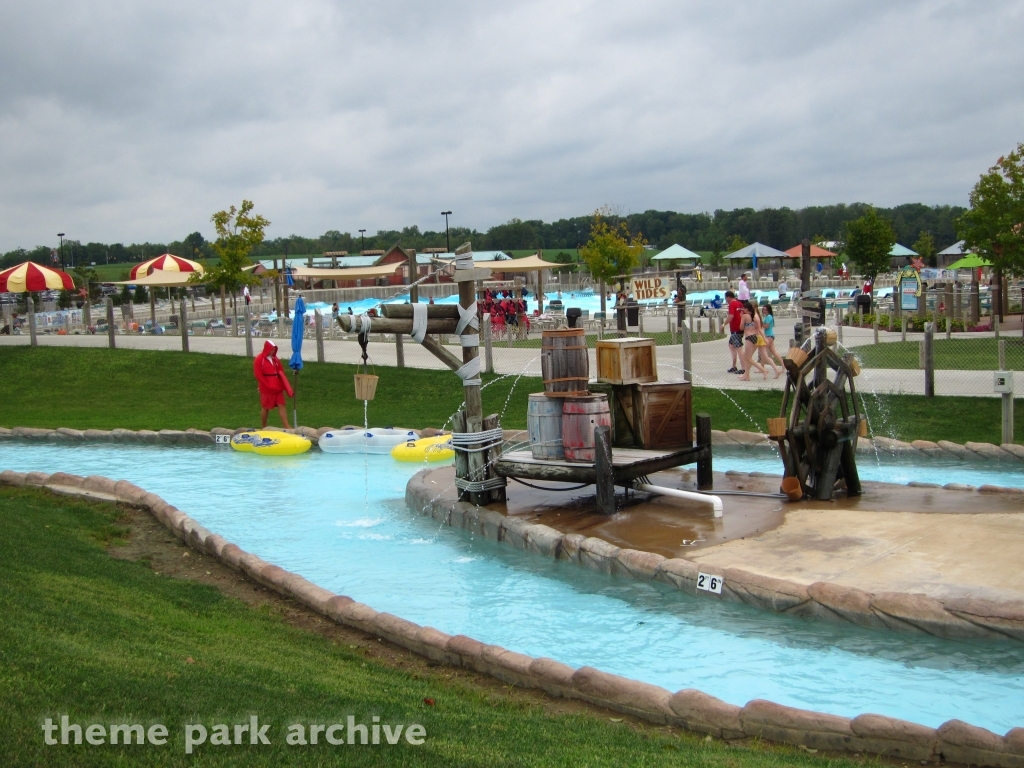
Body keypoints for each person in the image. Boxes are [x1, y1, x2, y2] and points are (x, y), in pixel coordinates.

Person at [253, 340, 292, 429]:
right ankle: (264, 426)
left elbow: (281, 371)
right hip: (267, 387)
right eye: (271, 349)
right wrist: (265, 384)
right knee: (265, 407)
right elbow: (258, 374)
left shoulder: (275, 359)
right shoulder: (259, 359)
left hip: (277, 386)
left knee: (281, 404)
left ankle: (286, 426)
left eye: (274, 349)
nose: (273, 351)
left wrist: (283, 384)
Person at [738, 301, 769, 381]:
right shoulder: (755, 317)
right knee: (748, 357)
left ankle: (763, 370)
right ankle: (746, 375)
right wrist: (764, 338)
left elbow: (741, 328)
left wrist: (741, 317)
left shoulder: (745, 316)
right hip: (755, 337)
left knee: (747, 358)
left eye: (743, 308)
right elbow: (759, 329)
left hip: (749, 337)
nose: (742, 309)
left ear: (746, 309)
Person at [759, 303, 784, 370]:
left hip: (769, 336)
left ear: (768, 310)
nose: (764, 311)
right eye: (763, 310)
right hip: (769, 335)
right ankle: (783, 364)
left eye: (765, 310)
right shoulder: (767, 317)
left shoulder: (769, 317)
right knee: (773, 352)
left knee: (764, 351)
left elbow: (766, 326)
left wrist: (760, 323)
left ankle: (762, 367)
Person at [725, 290, 744, 374]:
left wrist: (723, 324)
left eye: (726, 298)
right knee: (731, 345)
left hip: (736, 329)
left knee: (739, 348)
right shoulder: (740, 303)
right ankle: (734, 365)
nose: (726, 300)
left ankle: (744, 367)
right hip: (740, 328)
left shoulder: (732, 304)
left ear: (728, 297)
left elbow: (731, 316)